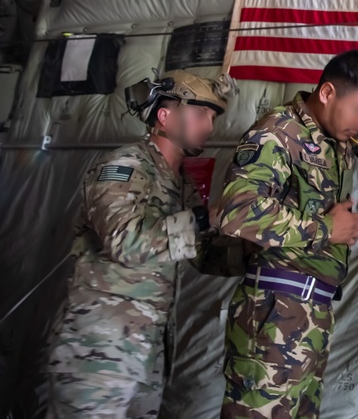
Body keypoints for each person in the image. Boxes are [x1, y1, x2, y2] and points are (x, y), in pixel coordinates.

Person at [217, 49, 358, 419]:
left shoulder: (339, 132)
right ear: (327, 93)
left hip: (312, 311)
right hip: (274, 306)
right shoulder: (277, 132)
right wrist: (325, 228)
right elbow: (237, 212)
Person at [46, 70, 235, 417]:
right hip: (98, 345)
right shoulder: (127, 164)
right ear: (165, 116)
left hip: (148, 347)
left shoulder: (180, 184)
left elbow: (202, 255)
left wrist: (265, 245)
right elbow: (125, 242)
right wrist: (206, 217)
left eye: (212, 117)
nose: (209, 125)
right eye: (200, 114)